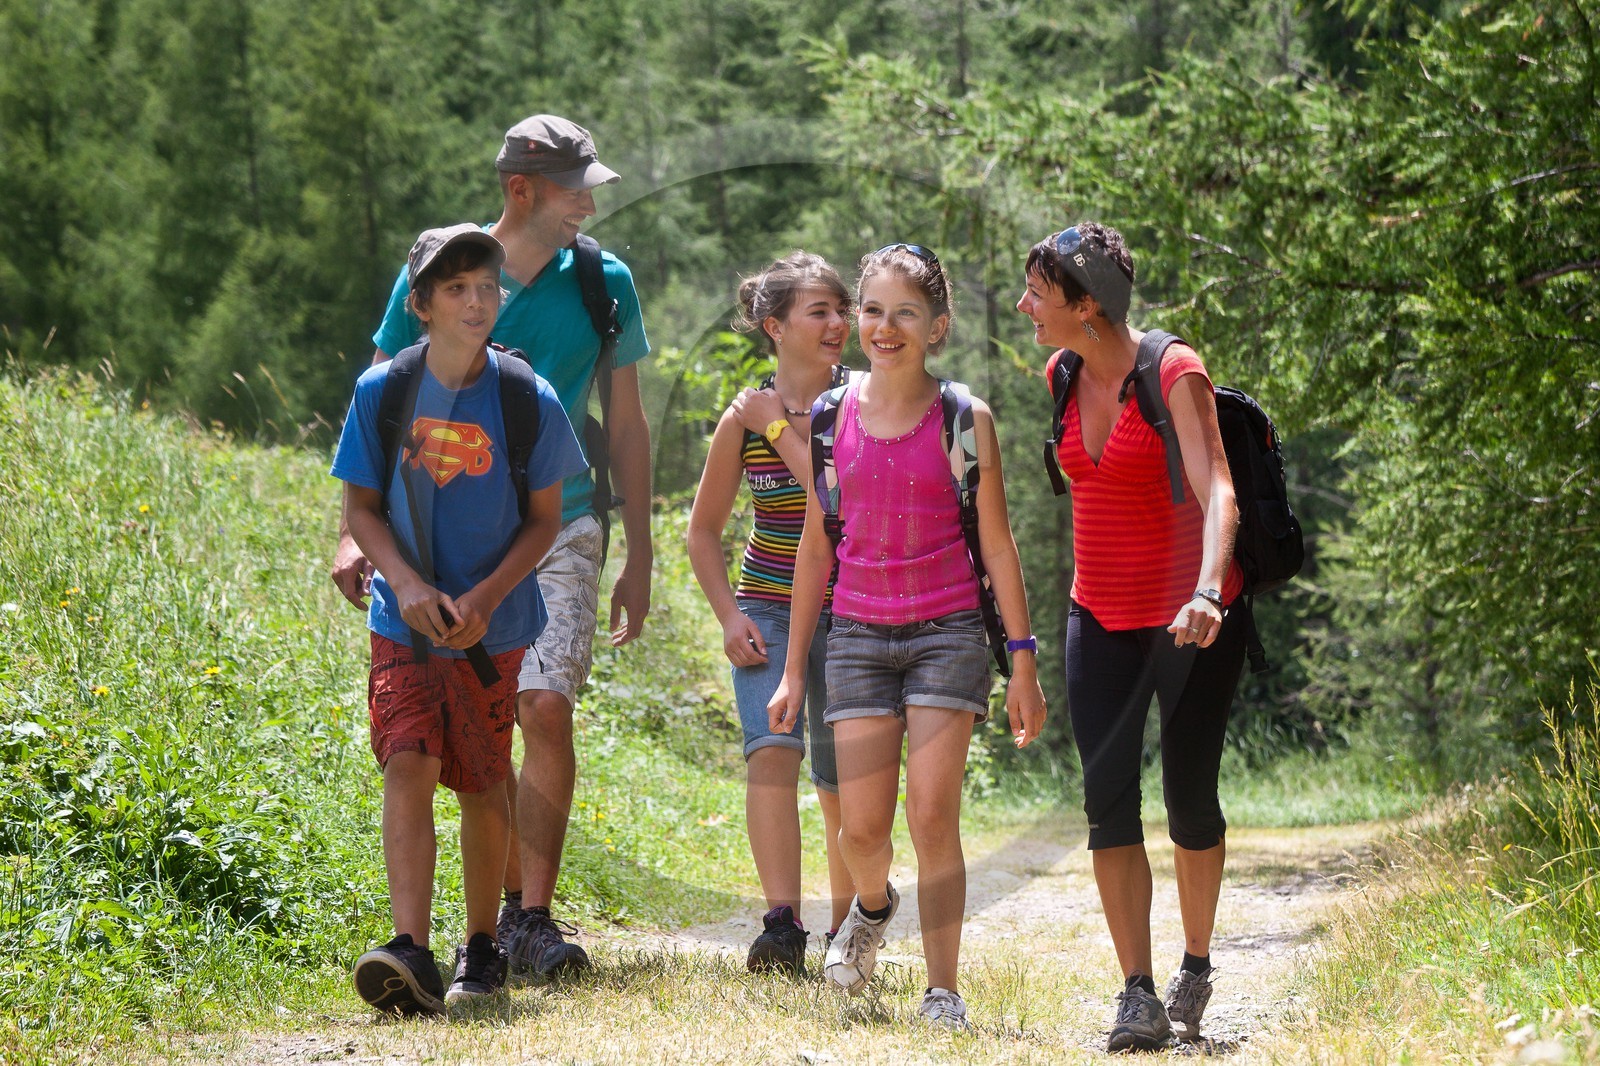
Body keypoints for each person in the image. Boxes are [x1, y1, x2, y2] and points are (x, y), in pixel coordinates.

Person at [331, 114, 654, 978]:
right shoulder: (442, 271)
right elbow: (379, 414)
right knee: (443, 748)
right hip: (431, 553)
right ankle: (473, 927)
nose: (590, 200)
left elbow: (624, 422)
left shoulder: (603, 283)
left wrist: (644, 552)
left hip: (558, 522)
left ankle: (527, 918)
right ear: (524, 190)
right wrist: (356, 546)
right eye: (575, 185)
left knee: (540, 710)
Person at [769, 244, 1047, 1029]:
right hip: (855, 634)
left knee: (931, 815)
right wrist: (793, 667)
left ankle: (943, 991)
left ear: (937, 327)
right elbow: (818, 544)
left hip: (948, 632)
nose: (884, 328)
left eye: (905, 314)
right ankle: (873, 903)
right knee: (860, 828)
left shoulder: (965, 418)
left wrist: (1022, 665)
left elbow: (997, 545)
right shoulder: (827, 417)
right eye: (872, 311)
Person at [334, 225, 587, 1013]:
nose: (477, 300)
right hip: (402, 622)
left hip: (495, 628)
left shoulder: (524, 396)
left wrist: (483, 600)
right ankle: (410, 950)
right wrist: (406, 583)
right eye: (456, 289)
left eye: (486, 286)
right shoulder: (382, 393)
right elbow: (361, 510)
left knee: (482, 780)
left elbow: (545, 522)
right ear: (420, 306)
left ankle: (482, 947)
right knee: (406, 760)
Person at [1016, 221, 1245, 1051]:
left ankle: (1195, 963)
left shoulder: (1174, 371)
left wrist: (1209, 591)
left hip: (1190, 620)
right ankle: (1137, 993)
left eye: (1039, 292)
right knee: (1107, 800)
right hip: (1098, 614)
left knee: (1190, 800)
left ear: (1087, 303)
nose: (1024, 305)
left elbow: (1218, 487)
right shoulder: (1063, 371)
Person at [685, 252, 855, 975]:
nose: (839, 324)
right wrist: (728, 616)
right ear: (774, 326)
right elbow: (702, 530)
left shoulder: (863, 405)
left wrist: (781, 430)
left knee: (843, 774)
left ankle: (851, 925)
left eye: (840, 310)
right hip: (768, 606)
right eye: (820, 311)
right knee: (771, 756)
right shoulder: (741, 418)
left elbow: (841, 499)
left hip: (851, 609)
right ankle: (782, 924)